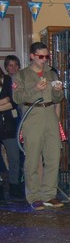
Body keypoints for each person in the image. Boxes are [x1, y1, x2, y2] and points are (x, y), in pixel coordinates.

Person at [12, 42, 65, 210]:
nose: (44, 59)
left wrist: (58, 91)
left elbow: (58, 99)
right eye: (41, 56)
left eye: (46, 56)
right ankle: (34, 196)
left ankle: (49, 194)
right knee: (33, 159)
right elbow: (17, 98)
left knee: (53, 157)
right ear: (32, 56)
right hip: (32, 116)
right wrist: (35, 89)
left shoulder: (51, 73)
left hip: (50, 114)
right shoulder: (21, 75)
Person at [0, 64, 22, 199]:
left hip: (8, 124)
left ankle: (14, 186)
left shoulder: (8, 80)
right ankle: (3, 185)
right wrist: (4, 101)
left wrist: (7, 101)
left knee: (14, 157)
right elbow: (7, 101)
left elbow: (13, 101)